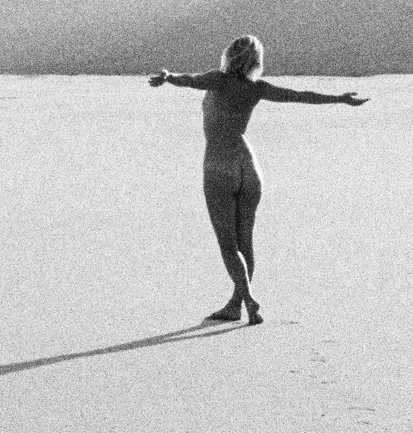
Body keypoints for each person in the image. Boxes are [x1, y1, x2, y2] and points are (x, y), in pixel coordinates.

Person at [149, 35, 365, 325]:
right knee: (245, 243)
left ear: (229, 56)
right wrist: (339, 99)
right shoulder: (256, 89)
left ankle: (248, 300)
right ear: (256, 62)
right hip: (249, 166)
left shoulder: (217, 80)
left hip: (220, 164)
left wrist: (168, 77)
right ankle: (235, 305)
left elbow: (188, 80)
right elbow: (297, 95)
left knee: (228, 244)